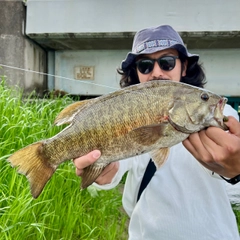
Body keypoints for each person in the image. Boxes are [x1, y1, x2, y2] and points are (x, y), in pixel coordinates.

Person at [74, 25, 240, 239]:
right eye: (145, 65)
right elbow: (116, 168)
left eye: (167, 62)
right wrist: (103, 169)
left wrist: (237, 170)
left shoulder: (221, 113)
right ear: (136, 72)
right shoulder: (129, 113)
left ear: (184, 66)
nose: (157, 72)